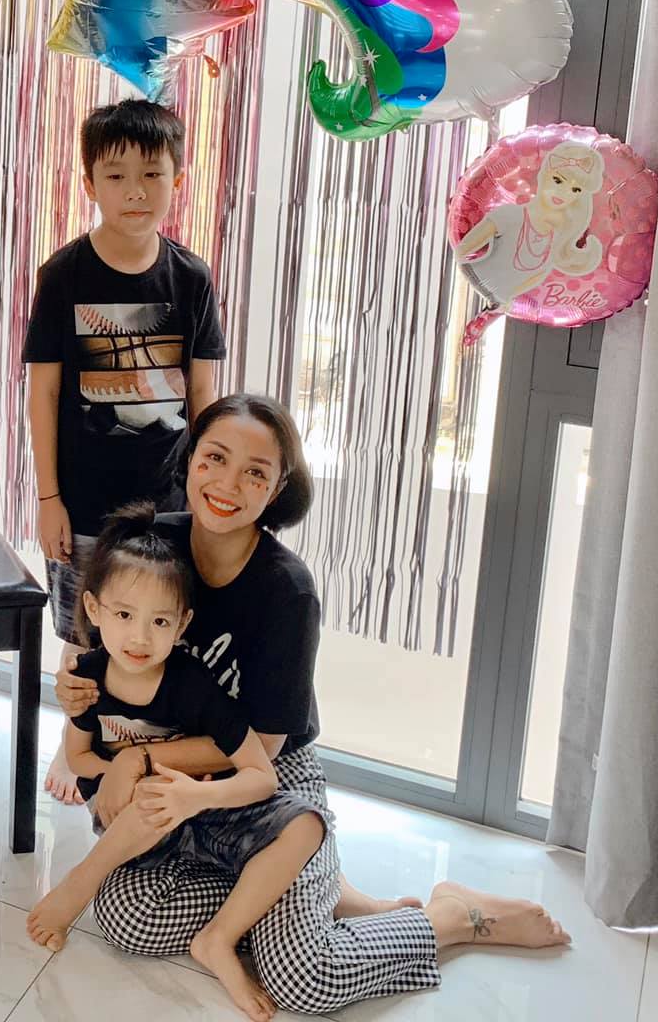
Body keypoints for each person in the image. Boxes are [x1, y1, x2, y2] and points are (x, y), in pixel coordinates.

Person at [60, 395, 570, 1012]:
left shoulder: (286, 591)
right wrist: (77, 695)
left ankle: (448, 917)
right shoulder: (149, 545)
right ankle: (304, 891)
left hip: (267, 769)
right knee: (128, 918)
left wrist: (138, 761)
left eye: (255, 472)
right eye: (214, 458)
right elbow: (95, 648)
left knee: (305, 977)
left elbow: (266, 748)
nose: (228, 484)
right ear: (189, 459)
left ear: (278, 489)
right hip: (168, 765)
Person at [25, 517, 325, 1020]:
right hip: (138, 822)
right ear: (95, 609)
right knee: (149, 803)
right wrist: (119, 771)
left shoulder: (194, 686)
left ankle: (220, 937)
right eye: (124, 614)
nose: (140, 636)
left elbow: (262, 774)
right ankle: (81, 884)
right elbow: (77, 756)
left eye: (160, 622)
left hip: (204, 806)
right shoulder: (88, 678)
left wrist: (195, 795)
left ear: (182, 625)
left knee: (307, 826)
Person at [25, 98, 223, 803]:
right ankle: (73, 744)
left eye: (152, 174)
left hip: (167, 503)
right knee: (84, 633)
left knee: (155, 628)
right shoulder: (64, 274)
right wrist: (48, 499)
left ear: (178, 179)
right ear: (89, 183)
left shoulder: (191, 278)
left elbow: (204, 396)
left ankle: (146, 745)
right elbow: (43, 393)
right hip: (82, 501)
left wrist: (205, 500)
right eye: (116, 176)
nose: (135, 192)